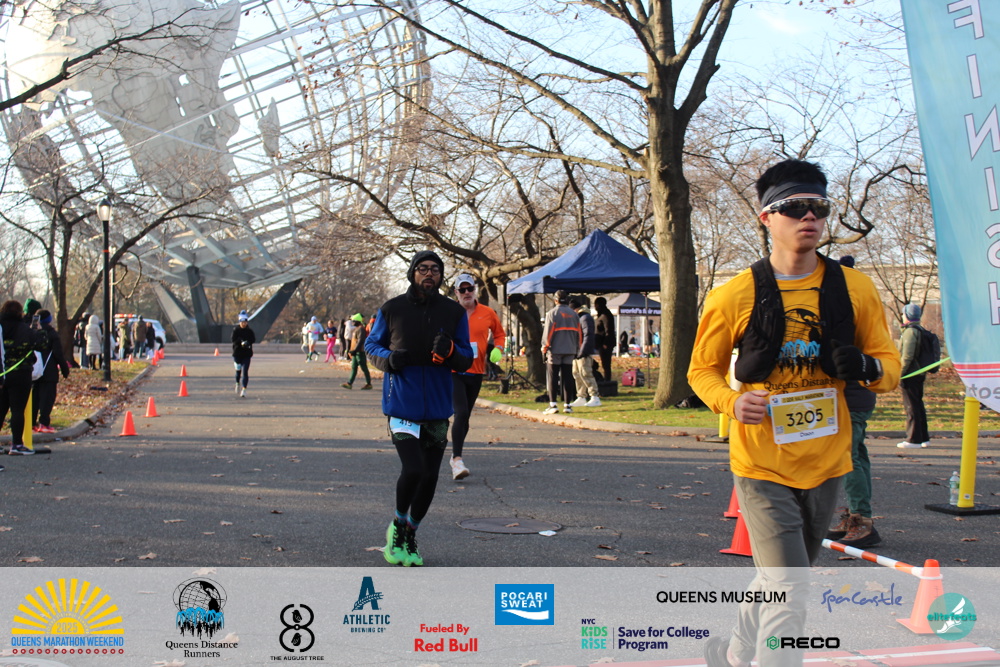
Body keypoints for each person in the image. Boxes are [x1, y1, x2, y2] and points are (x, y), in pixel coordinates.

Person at [687, 159, 900, 667]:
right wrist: (732, 401)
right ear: (766, 217)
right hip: (761, 466)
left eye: (819, 207)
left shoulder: (856, 289)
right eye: (795, 207)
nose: (809, 217)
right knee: (791, 588)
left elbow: (890, 369)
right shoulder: (733, 295)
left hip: (827, 463)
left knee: (779, 579)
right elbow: (701, 372)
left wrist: (868, 366)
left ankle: (735, 653)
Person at [365, 250, 473, 567]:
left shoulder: (454, 312)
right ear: (412, 273)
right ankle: (398, 525)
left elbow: (466, 357)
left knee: (429, 477)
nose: (429, 274)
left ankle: (411, 533)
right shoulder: (392, 309)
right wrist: (389, 359)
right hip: (401, 405)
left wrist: (451, 351)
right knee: (413, 469)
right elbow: (371, 345)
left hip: (438, 409)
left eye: (435, 269)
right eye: (423, 268)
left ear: (441, 276)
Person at [826, 256, 880, 548]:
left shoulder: (851, 312)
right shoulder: (849, 309)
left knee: (850, 458)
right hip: (855, 395)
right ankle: (856, 515)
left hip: (852, 396)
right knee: (857, 454)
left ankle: (862, 520)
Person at [449, 273, 505, 480]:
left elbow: (500, 334)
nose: (466, 293)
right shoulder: (450, 312)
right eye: (462, 290)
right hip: (454, 370)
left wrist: (498, 348)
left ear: (475, 290)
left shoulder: (487, 312)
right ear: (456, 292)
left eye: (470, 289)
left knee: (465, 417)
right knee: (461, 412)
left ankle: (456, 456)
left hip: (476, 370)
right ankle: (457, 460)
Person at [1, 299, 46, 458]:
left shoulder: (1, 327)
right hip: (20, 373)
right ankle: (17, 444)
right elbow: (42, 344)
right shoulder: (24, 329)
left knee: (1, 409)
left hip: (2, 373)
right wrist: (38, 329)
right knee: (17, 410)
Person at [541, 290, 581, 415]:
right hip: (570, 349)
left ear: (555, 300)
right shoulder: (574, 314)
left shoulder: (552, 313)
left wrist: (544, 347)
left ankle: (553, 404)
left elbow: (548, 332)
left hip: (555, 349)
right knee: (568, 377)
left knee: (553, 377)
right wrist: (577, 348)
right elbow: (579, 333)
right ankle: (567, 405)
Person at [897, 303, 930, 449]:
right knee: (918, 405)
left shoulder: (910, 332)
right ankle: (924, 438)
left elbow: (907, 356)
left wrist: (899, 374)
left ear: (907, 315)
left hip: (910, 374)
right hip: (919, 372)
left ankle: (913, 439)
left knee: (911, 406)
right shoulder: (920, 330)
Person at [31, 309, 70, 434]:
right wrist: (64, 369)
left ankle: (31, 422)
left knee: (35, 397)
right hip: (49, 370)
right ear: (48, 320)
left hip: (34, 370)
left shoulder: (32, 332)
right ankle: (44, 423)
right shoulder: (52, 334)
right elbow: (58, 354)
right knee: (47, 398)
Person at [568, 295, 601, 408]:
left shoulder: (585, 318)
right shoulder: (578, 318)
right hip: (576, 351)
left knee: (586, 373)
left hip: (583, 351)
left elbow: (588, 336)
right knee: (576, 373)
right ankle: (581, 396)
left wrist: (583, 351)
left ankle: (594, 396)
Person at [341, 314, 372, 390]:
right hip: (355, 352)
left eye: (354, 321)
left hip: (360, 352)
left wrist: (355, 350)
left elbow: (361, 340)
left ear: (358, 321)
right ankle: (349, 383)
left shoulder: (361, 329)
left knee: (364, 368)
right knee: (354, 367)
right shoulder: (356, 329)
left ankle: (368, 383)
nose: (352, 322)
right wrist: (351, 350)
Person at [232, 311, 255, 397]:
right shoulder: (236, 330)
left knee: (245, 372)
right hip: (237, 354)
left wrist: (247, 342)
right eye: (242, 322)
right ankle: (237, 383)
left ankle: (244, 389)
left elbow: (253, 339)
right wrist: (240, 342)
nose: (244, 324)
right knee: (238, 371)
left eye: (245, 322)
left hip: (246, 354)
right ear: (239, 322)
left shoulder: (249, 331)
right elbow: (233, 340)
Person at [594, 296, 615, 381]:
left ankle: (607, 380)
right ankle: (606, 379)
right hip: (601, 342)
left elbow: (608, 330)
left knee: (606, 364)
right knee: (605, 363)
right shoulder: (601, 315)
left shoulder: (605, 315)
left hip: (605, 343)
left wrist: (606, 343)